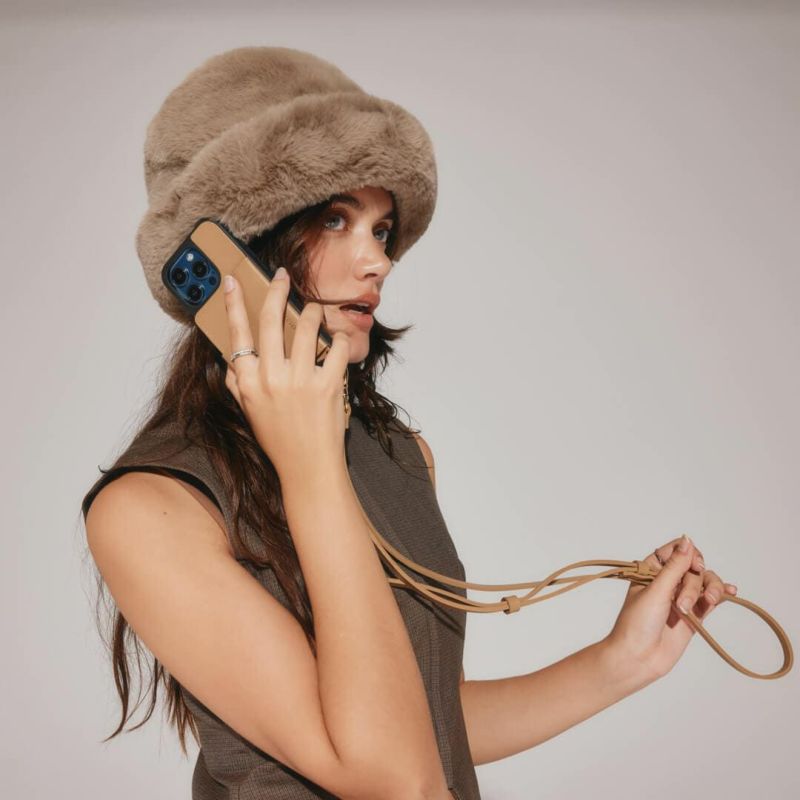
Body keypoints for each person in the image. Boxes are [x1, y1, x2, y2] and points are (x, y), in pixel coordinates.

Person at [81, 47, 738, 800]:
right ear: (237, 250)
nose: (379, 263)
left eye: (383, 230)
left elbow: (421, 725)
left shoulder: (397, 455)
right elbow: (395, 776)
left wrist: (618, 663)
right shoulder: (147, 508)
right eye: (336, 219)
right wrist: (309, 466)